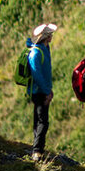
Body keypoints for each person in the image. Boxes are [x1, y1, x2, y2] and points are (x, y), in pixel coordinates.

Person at [27, 23, 58, 161]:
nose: (52, 36)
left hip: (44, 90)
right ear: (45, 36)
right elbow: (37, 75)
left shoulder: (45, 48)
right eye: (50, 34)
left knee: (39, 120)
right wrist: (47, 92)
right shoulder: (36, 53)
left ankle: (38, 148)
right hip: (39, 91)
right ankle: (37, 151)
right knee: (42, 121)